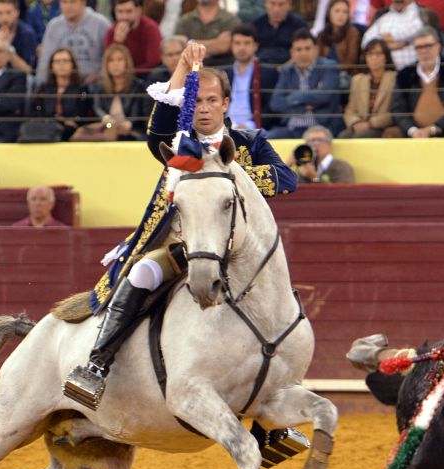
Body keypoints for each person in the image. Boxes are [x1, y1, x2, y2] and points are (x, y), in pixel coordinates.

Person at [64, 41, 298, 408]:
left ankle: (282, 394)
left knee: (276, 297)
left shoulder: (249, 143)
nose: (203, 108)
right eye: (197, 100)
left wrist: (227, 174)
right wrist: (182, 67)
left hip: (235, 250)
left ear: (225, 104)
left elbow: (287, 179)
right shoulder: (177, 144)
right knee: (142, 274)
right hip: (179, 245)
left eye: (211, 100)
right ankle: (96, 365)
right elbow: (157, 127)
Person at [385, 26, 444, 137]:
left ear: (438, 46)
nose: (423, 51)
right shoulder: (404, 74)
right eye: (419, 47)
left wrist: (435, 128)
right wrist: (412, 130)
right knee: (392, 133)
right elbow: (398, 109)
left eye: (428, 46)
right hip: (415, 133)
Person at [268, 29, 345, 137]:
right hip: (293, 128)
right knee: (267, 138)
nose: (303, 53)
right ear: (292, 52)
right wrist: (303, 107)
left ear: (316, 50)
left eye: (307, 48)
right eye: (299, 49)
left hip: (322, 127)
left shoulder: (329, 66)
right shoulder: (287, 71)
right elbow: (275, 103)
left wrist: (294, 97)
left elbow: (324, 95)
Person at [36, 0, 111, 84]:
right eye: (64, 2)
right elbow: (45, 61)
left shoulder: (101, 24)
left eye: (72, 2)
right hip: (63, 84)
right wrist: (40, 86)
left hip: (95, 84)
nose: (68, 6)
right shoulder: (53, 26)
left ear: (83, 2)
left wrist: (100, 75)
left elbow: (111, 57)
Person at [29, 46, 96, 139]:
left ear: (73, 64)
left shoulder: (82, 89)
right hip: (46, 132)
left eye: (65, 61)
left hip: (73, 134)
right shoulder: (43, 89)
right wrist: (59, 122)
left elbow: (83, 115)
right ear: (52, 66)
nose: (61, 64)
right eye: (57, 61)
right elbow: (36, 112)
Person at [87, 43, 149, 138]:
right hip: (106, 132)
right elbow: (97, 107)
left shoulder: (139, 85)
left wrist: (130, 123)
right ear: (106, 65)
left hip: (134, 133)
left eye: (120, 59)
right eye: (111, 60)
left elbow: (139, 112)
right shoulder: (99, 87)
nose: (115, 64)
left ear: (127, 63)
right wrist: (105, 118)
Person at [224, 25, 278, 129]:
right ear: (231, 46)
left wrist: (249, 125)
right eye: (237, 43)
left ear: (255, 46)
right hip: (225, 128)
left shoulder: (269, 73)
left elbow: (271, 107)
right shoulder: (224, 72)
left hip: (254, 129)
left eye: (247, 43)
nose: (242, 48)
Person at [341, 37, 396, 137]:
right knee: (343, 137)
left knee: (360, 137)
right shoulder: (357, 80)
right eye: (370, 54)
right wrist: (355, 122)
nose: (374, 58)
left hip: (381, 126)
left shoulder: (395, 78)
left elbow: (396, 111)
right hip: (359, 124)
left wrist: (370, 124)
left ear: (386, 57)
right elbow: (350, 109)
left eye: (378, 54)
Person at [361, 0, 423, 71]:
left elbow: (410, 34)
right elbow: (365, 41)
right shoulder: (384, 17)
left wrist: (380, 40)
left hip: (412, 71)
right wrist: (388, 46)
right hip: (386, 72)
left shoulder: (420, 14)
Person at [0, 0, 39, 74]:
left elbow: (28, 70)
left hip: (19, 78)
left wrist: (7, 47)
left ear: (17, 13)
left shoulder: (27, 34)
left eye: (8, 12)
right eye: (0, 13)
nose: (4, 17)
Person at [176, 0, 239, 66]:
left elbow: (223, 46)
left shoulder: (231, 20)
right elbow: (179, 46)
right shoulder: (184, 20)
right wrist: (215, 44)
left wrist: (190, 43)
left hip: (222, 67)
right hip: (191, 67)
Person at [106, 0, 162, 74]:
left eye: (128, 11)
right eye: (120, 12)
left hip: (146, 74)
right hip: (122, 75)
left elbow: (154, 61)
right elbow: (109, 62)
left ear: (138, 11)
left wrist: (130, 73)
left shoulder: (150, 28)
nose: (124, 16)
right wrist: (117, 42)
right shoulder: (112, 31)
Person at [253, 0, 307, 65]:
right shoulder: (256, 24)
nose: (276, 9)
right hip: (260, 65)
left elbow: (303, 49)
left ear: (289, 5)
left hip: (290, 65)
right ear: (265, 4)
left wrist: (286, 67)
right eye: (272, 4)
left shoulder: (298, 25)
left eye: (281, 4)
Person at [316, 0, 361, 74]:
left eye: (345, 12)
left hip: (345, 74)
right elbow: (317, 60)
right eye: (337, 11)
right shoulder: (321, 35)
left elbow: (351, 61)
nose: (341, 15)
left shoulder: (353, 33)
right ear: (329, 13)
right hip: (324, 74)